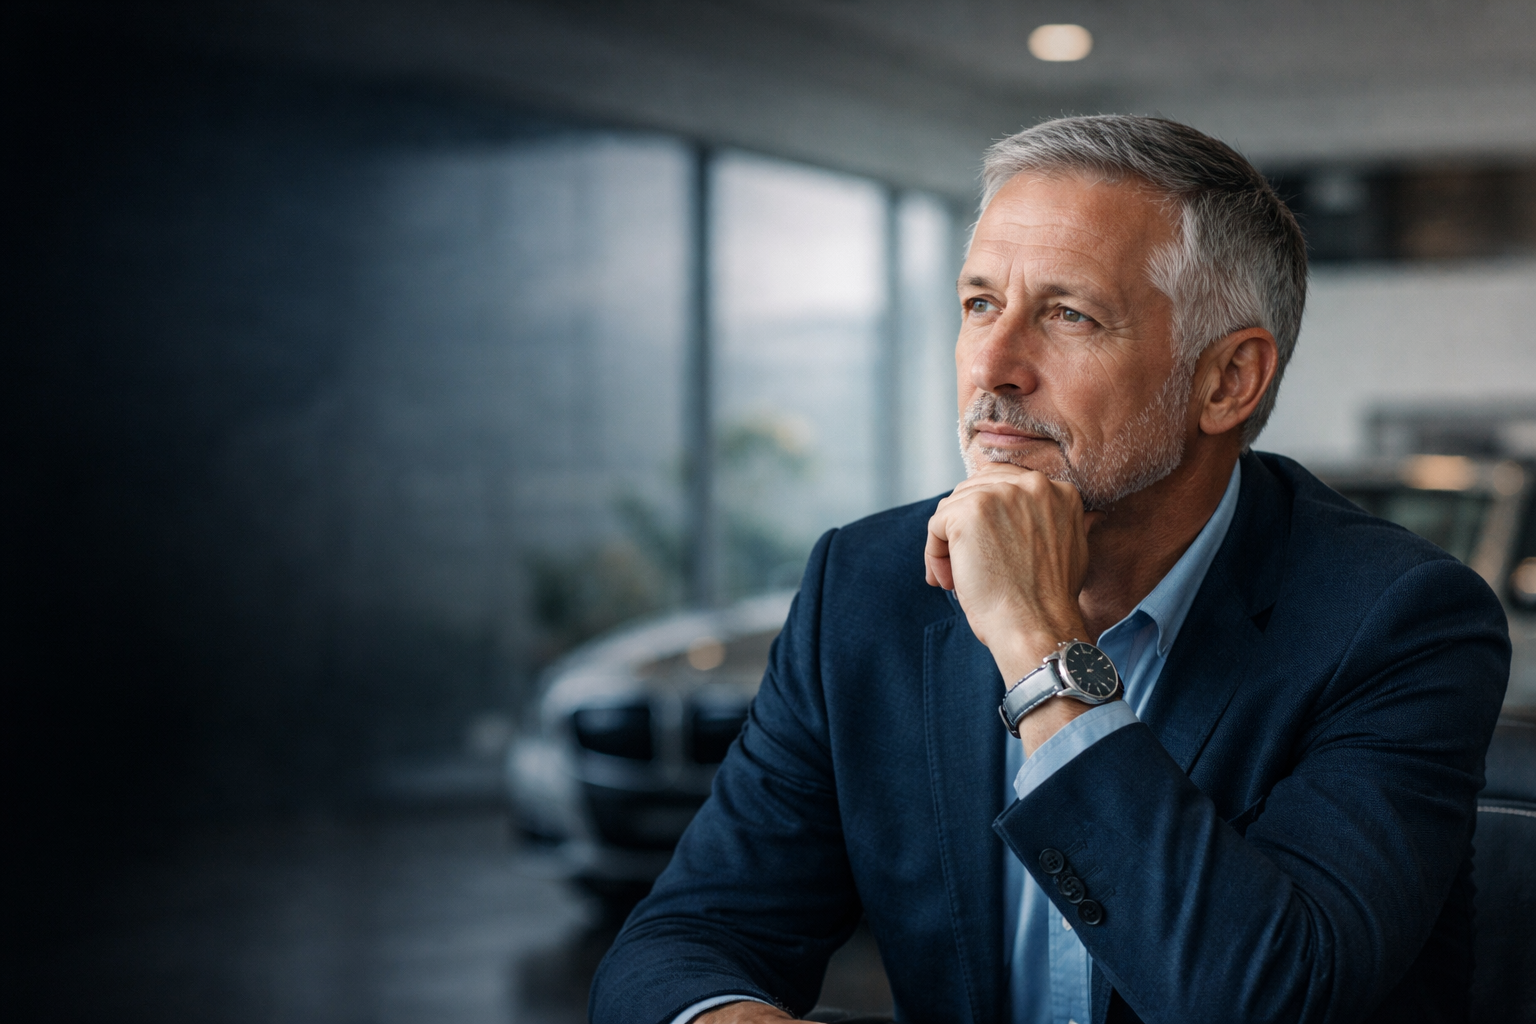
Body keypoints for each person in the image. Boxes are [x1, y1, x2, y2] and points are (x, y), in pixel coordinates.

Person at [590, 115, 1509, 1024]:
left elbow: (1263, 996)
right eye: (980, 303)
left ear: (1227, 380)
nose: (992, 363)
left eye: (1069, 315)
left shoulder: (1400, 620)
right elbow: (686, 940)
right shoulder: (865, 583)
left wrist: (1039, 647)